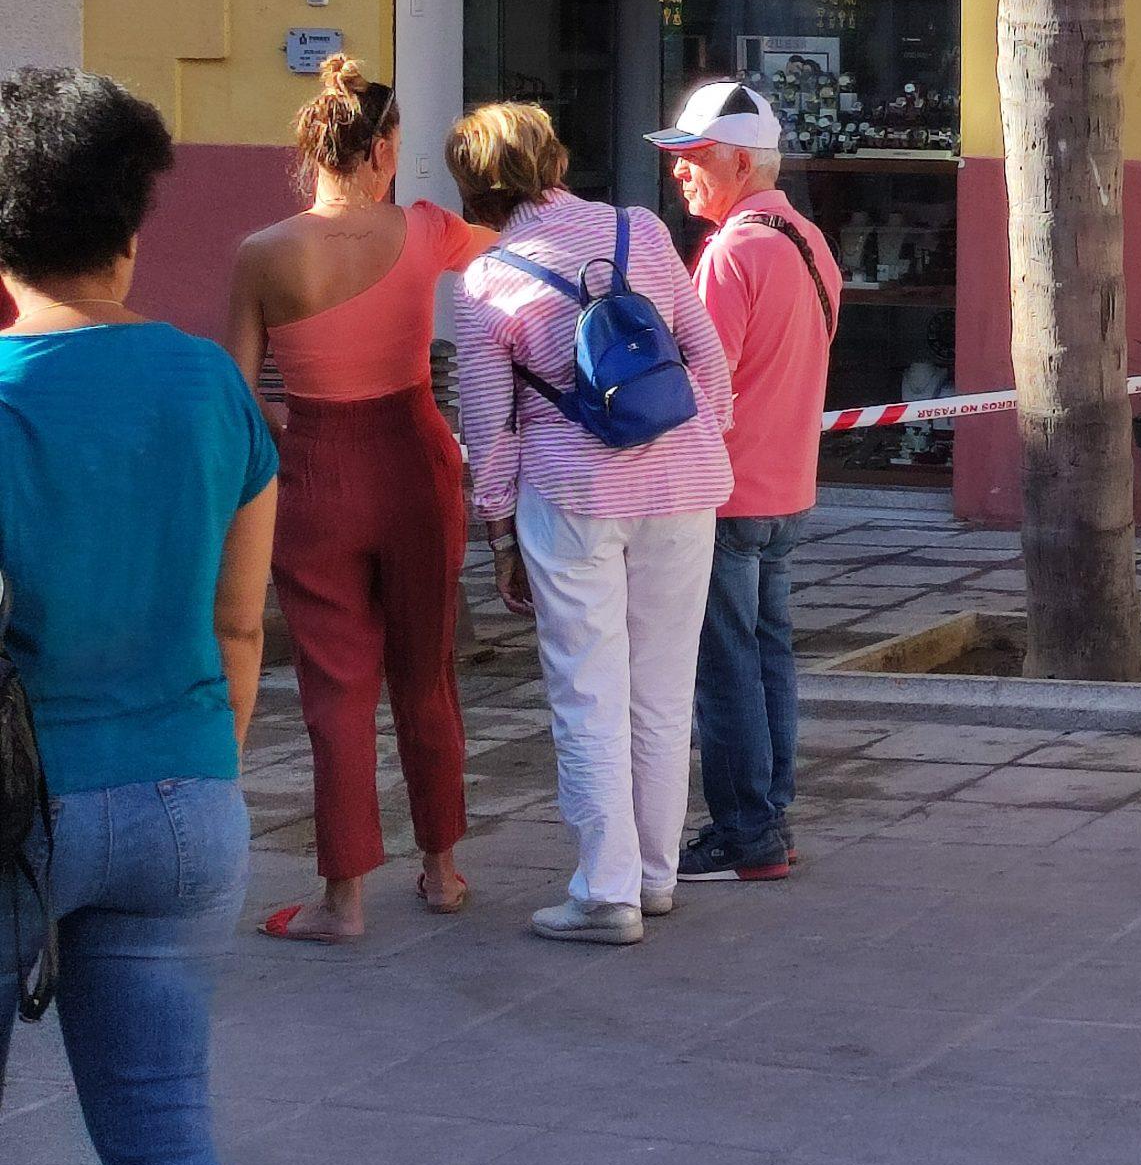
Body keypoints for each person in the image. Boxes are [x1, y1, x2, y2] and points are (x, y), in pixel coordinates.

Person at [0, 69, 277, 1165]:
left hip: (16, 804)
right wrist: (208, 760)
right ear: (128, 233)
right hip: (186, 798)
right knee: (165, 1139)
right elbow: (240, 621)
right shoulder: (211, 383)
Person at [444, 103, 733, 946]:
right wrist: (687, 444)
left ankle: (604, 893)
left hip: (571, 498)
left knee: (587, 689)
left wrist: (498, 531)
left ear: (476, 186)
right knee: (664, 687)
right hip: (683, 487)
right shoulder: (639, 230)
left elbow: (490, 429)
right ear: (554, 158)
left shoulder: (486, 283)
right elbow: (706, 359)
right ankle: (654, 877)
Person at [225, 56, 494, 944]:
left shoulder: (263, 253)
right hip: (416, 462)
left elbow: (237, 390)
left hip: (317, 470)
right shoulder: (424, 231)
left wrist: (293, 430)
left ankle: (341, 900)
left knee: (334, 691)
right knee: (427, 677)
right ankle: (442, 872)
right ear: (383, 150)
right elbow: (520, 250)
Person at [646, 82, 840, 883]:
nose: (680, 174)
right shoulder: (807, 240)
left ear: (734, 161)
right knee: (767, 660)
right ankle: (770, 816)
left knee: (726, 671)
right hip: (788, 488)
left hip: (726, 496)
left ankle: (745, 831)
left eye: (692, 158)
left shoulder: (731, 254)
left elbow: (703, 384)